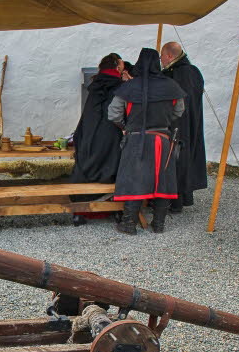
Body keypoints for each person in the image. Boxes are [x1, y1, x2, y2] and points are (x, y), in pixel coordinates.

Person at [107, 48, 186, 234]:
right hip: (162, 139)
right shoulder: (171, 86)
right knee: (163, 181)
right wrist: (163, 121)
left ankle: (128, 224)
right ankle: (159, 224)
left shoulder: (129, 87)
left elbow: (113, 114)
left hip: (135, 139)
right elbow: (179, 112)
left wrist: (124, 126)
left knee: (135, 179)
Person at [69, 53, 127, 226]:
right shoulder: (121, 87)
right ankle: (114, 208)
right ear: (117, 67)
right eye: (122, 66)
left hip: (89, 133)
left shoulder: (95, 85)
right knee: (113, 168)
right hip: (111, 136)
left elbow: (89, 113)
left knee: (85, 168)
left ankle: (80, 211)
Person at [161, 42, 206, 212]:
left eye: (162, 57)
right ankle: (183, 198)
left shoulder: (175, 74)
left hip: (177, 125)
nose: (161, 61)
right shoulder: (194, 72)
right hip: (192, 123)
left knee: (175, 161)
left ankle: (175, 202)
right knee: (185, 160)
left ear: (170, 56)